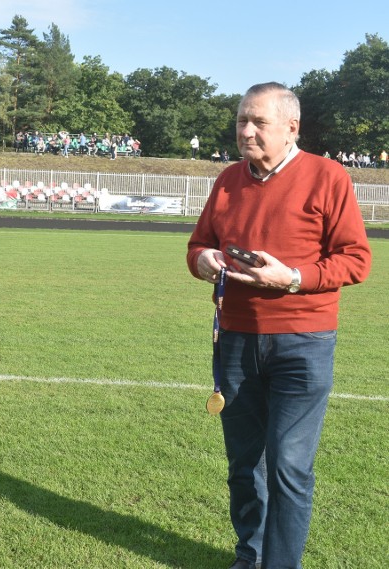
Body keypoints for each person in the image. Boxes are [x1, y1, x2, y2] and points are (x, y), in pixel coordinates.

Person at [187, 82, 371, 569]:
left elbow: (356, 260)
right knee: (245, 466)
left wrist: (291, 277)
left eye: (258, 122)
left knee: (289, 467)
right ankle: (251, 556)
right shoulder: (228, 179)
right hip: (234, 341)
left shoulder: (328, 176)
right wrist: (203, 258)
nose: (246, 131)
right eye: (241, 121)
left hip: (302, 344)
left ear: (292, 127)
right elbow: (197, 245)